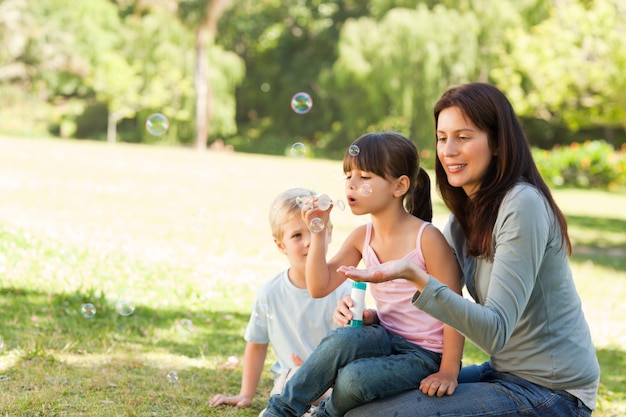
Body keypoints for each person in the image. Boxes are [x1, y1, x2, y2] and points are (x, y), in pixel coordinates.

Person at [339, 82, 600, 417]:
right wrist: (374, 316)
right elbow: (443, 312)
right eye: (442, 137)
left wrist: (415, 276)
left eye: (463, 137)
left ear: (497, 144)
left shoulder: (522, 205)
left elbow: (494, 332)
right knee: (362, 400)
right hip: (502, 373)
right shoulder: (463, 222)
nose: (448, 150)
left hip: (553, 393)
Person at [262, 132, 464, 417]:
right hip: (384, 337)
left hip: (423, 355)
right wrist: (318, 231)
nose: (351, 185)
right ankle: (280, 410)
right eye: (348, 176)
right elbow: (319, 287)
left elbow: (454, 308)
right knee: (342, 339)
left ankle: (325, 414)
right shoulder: (361, 237)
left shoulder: (427, 239)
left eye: (365, 177)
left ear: (399, 186)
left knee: (352, 378)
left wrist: (448, 371)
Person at [209, 188, 351, 413]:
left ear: (328, 232)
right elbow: (257, 344)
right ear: (280, 245)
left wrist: (321, 373)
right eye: (297, 235)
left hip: (333, 381)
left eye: (315, 229)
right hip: (291, 377)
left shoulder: (345, 289)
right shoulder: (270, 294)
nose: (308, 242)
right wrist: (246, 393)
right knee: (287, 390)